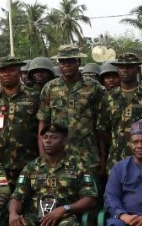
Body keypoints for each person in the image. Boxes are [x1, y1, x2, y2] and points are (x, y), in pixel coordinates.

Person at [38, 45, 105, 178]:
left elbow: (100, 124)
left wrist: (102, 156)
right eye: (62, 62)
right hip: (58, 156)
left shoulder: (94, 87)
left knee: (90, 195)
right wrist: (43, 155)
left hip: (87, 156)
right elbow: (43, 123)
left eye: (71, 61)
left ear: (78, 62)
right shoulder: (50, 88)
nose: (66, 65)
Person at [99, 52, 142, 173]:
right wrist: (121, 141)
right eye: (121, 67)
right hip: (117, 160)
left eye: (130, 67)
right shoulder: (108, 98)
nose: (125, 70)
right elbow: (103, 130)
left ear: (138, 69)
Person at [0, 54, 40, 186]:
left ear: (20, 72)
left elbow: (41, 130)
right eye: (3, 71)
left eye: (11, 70)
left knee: (26, 200)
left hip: (28, 163)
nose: (6, 74)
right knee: (1, 197)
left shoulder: (34, 97)